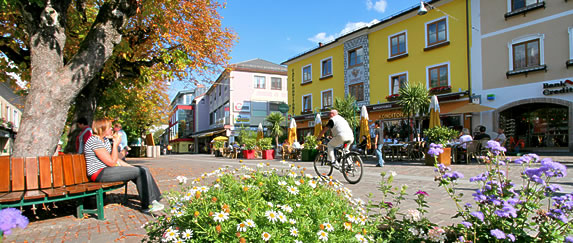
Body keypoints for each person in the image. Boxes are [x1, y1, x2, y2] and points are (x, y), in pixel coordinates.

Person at [84, 119, 163, 213]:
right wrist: (115, 145)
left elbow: (116, 159)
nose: (112, 130)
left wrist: (132, 168)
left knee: (143, 169)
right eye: (109, 128)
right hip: (99, 173)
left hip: (107, 170)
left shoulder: (104, 140)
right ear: (102, 129)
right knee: (139, 172)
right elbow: (112, 162)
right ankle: (148, 205)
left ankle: (156, 198)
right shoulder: (94, 141)